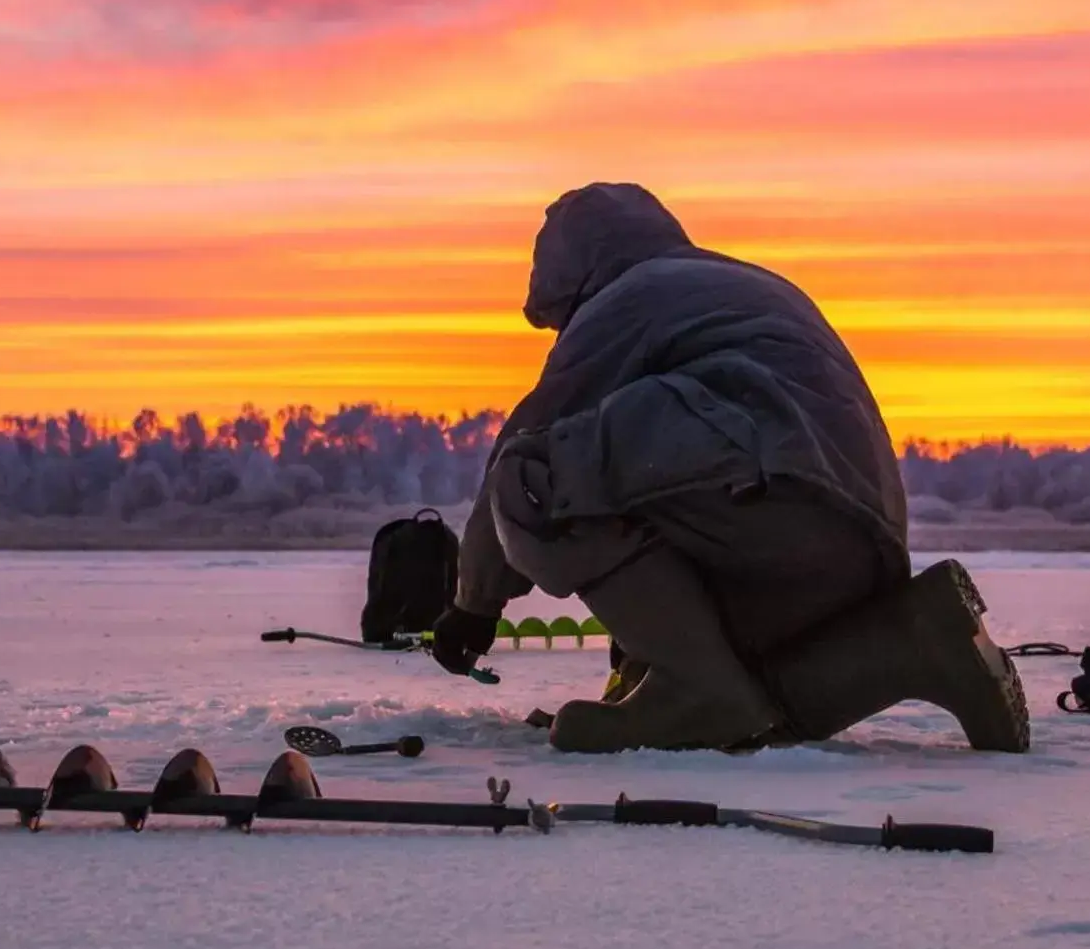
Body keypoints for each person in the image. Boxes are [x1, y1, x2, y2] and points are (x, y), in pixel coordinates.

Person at [426, 183, 1030, 755]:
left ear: (575, 276)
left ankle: (695, 690)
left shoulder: (627, 297)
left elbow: (521, 453)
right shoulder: (739, 285)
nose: (562, 335)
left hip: (767, 499)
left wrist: (473, 605)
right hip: (848, 550)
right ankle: (919, 637)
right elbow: (656, 508)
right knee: (762, 705)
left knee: (535, 477)